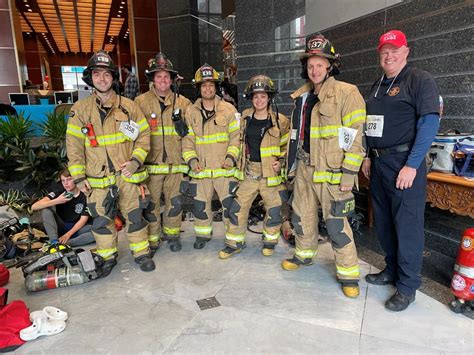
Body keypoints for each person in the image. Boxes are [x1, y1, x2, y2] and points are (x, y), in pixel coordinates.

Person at [281, 34, 366, 298]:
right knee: (302, 217)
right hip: (305, 168)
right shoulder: (303, 97)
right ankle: (304, 255)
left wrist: (349, 173)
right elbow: (297, 135)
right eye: (310, 65)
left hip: (332, 173)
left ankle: (348, 273)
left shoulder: (346, 93)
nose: (314, 70)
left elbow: (354, 136)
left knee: (337, 225)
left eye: (320, 65)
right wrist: (290, 166)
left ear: (330, 66)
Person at [362, 30, 440, 311]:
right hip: (379, 163)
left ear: (406, 51)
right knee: (383, 222)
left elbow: (429, 123)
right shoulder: (377, 84)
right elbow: (371, 124)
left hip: (404, 163)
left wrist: (412, 164)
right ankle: (391, 270)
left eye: (394, 50)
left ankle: (407, 287)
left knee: (406, 227)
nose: (389, 55)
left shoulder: (419, 80)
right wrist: (369, 154)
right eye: (384, 51)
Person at [66, 50, 154, 274]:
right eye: (97, 74)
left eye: (106, 74)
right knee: (101, 221)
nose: (102, 79)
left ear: (113, 77)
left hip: (126, 175)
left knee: (134, 215)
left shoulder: (129, 107)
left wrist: (135, 162)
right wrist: (78, 177)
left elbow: (144, 137)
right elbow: (74, 146)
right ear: (91, 78)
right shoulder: (80, 110)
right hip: (96, 179)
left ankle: (142, 253)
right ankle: (108, 257)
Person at [219, 75, 289, 258]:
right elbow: (237, 141)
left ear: (269, 98)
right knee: (237, 208)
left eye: (263, 96)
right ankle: (234, 243)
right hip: (250, 172)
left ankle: (269, 242)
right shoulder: (244, 118)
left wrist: (281, 161)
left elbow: (287, 145)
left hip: (270, 175)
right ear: (251, 98)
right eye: (256, 96)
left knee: (273, 209)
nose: (259, 100)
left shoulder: (280, 121)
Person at [134, 53, 191, 252]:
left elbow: (190, 133)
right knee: (151, 206)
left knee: (174, 203)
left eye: (166, 76)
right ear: (152, 79)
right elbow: (133, 135)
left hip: (175, 165)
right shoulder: (140, 103)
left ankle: (173, 235)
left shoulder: (183, 103)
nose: (163, 80)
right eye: (159, 76)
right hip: (151, 166)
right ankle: (153, 238)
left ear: (173, 79)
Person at [182, 63, 240, 249]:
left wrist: (231, 158)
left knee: (230, 207)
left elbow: (236, 137)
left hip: (224, 168)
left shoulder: (228, 109)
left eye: (211, 85)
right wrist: (192, 160)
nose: (207, 88)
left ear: (216, 87)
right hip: (201, 171)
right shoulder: (190, 112)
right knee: (200, 207)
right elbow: (187, 140)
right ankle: (203, 235)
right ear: (199, 88)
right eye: (204, 85)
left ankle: (234, 239)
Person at [31, 168, 94, 247]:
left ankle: (65, 244)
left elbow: (83, 219)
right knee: (46, 211)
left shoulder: (84, 194)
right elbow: (34, 207)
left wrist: (67, 235)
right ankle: (54, 242)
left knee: (97, 232)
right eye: (63, 180)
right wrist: (57, 201)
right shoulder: (60, 191)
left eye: (69, 179)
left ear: (76, 179)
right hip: (60, 226)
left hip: (76, 229)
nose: (66, 183)